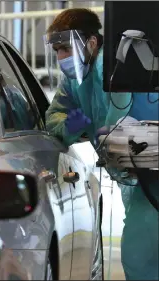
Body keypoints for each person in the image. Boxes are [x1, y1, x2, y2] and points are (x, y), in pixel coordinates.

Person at [44, 8, 159, 280]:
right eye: (57, 51)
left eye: (65, 49)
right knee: (140, 253)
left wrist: (114, 125)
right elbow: (54, 117)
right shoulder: (75, 81)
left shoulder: (123, 69)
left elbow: (125, 119)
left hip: (148, 170)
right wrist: (68, 127)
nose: (61, 58)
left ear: (92, 42)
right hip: (134, 178)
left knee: (140, 253)